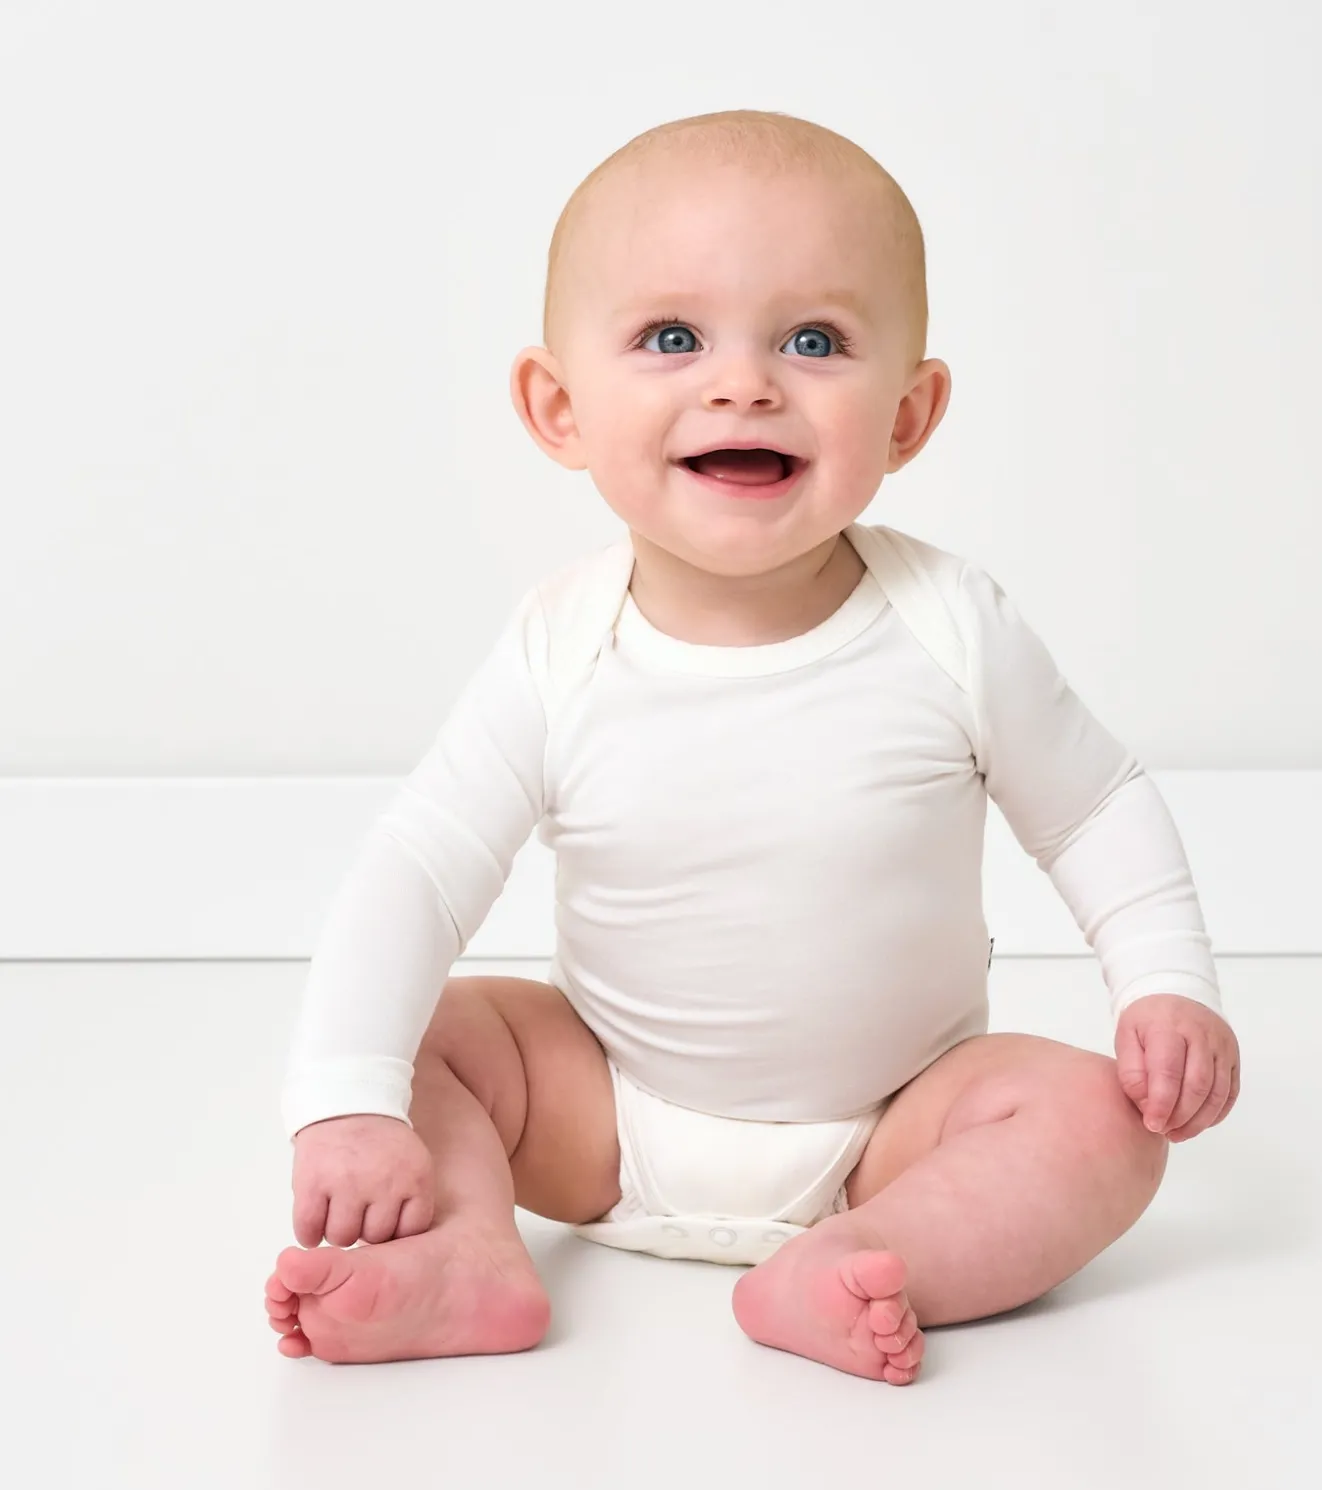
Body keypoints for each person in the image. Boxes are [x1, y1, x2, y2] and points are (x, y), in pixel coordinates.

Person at [263, 109, 1241, 1386]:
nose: (743, 383)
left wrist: (1164, 980)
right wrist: (344, 1099)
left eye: (814, 339)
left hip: (895, 1127)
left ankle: (873, 1255)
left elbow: (1093, 804)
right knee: (442, 1033)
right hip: (600, 1115)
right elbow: (420, 868)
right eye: (672, 337)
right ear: (558, 406)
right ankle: (467, 1250)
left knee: (1097, 1123)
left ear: (907, 413)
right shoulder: (558, 647)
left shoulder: (949, 626)